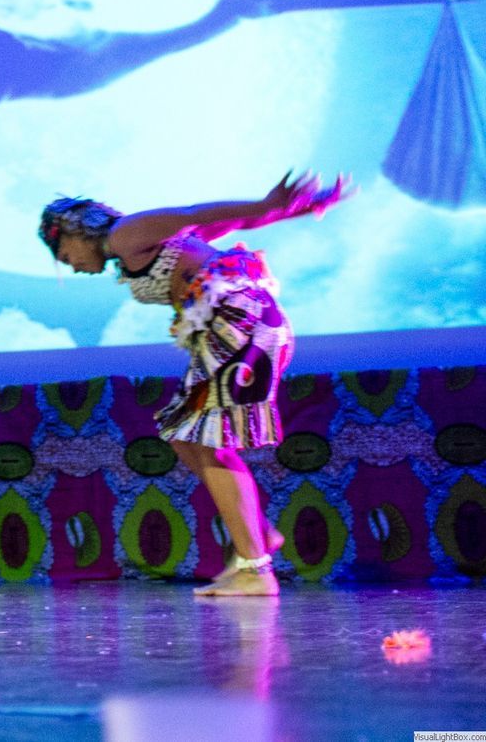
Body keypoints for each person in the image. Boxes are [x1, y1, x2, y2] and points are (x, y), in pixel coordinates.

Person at [39, 172, 347, 597]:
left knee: (208, 441)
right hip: (228, 329)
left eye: (62, 252)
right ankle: (256, 537)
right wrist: (293, 208)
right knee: (186, 437)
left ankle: (255, 569)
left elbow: (196, 214)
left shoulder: (127, 233)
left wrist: (266, 202)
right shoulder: (135, 246)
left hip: (240, 324)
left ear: (76, 232)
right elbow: (231, 225)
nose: (70, 263)